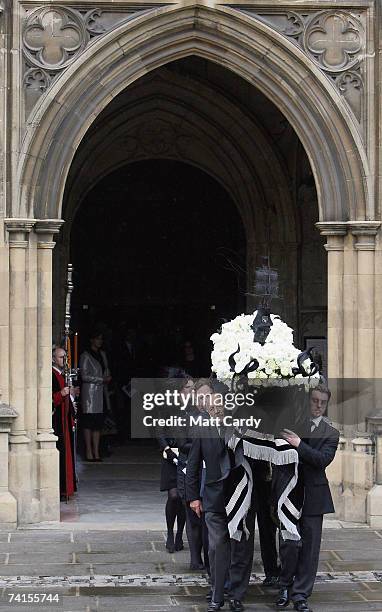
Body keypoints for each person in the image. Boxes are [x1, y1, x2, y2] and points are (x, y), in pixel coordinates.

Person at [275, 384, 339, 612]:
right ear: (308, 400)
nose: (318, 406)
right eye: (315, 401)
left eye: (323, 402)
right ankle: (284, 586)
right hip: (290, 492)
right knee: (289, 544)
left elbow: (321, 460)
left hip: (314, 495)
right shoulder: (295, 424)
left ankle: (300, 595)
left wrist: (299, 445)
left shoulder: (332, 433)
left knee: (310, 549)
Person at [178, 377, 211, 571]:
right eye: (199, 397)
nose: (203, 402)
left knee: (207, 518)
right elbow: (182, 444)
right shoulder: (186, 416)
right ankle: (194, 557)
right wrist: (203, 446)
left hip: (208, 472)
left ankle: (208, 560)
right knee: (192, 515)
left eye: (206, 397)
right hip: (189, 468)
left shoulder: (217, 417)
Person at [157, 378, 186, 554]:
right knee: (173, 495)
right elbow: (159, 429)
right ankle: (169, 532)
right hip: (170, 455)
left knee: (183, 497)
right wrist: (166, 447)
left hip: (186, 455)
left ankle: (180, 534)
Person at [79, 331, 112, 462]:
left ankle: (97, 452)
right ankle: (88, 451)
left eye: (101, 339)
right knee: (88, 423)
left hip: (101, 393)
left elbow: (106, 369)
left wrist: (107, 377)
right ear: (91, 340)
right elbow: (84, 376)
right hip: (90, 394)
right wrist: (101, 379)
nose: (100, 341)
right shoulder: (85, 356)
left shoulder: (102, 355)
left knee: (98, 423)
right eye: (97, 339)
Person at [52, 347, 79, 500]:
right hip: (57, 421)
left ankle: (67, 488)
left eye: (65, 357)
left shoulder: (63, 375)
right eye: (62, 357)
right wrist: (61, 394)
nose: (65, 360)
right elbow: (49, 398)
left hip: (65, 420)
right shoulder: (51, 375)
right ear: (54, 358)